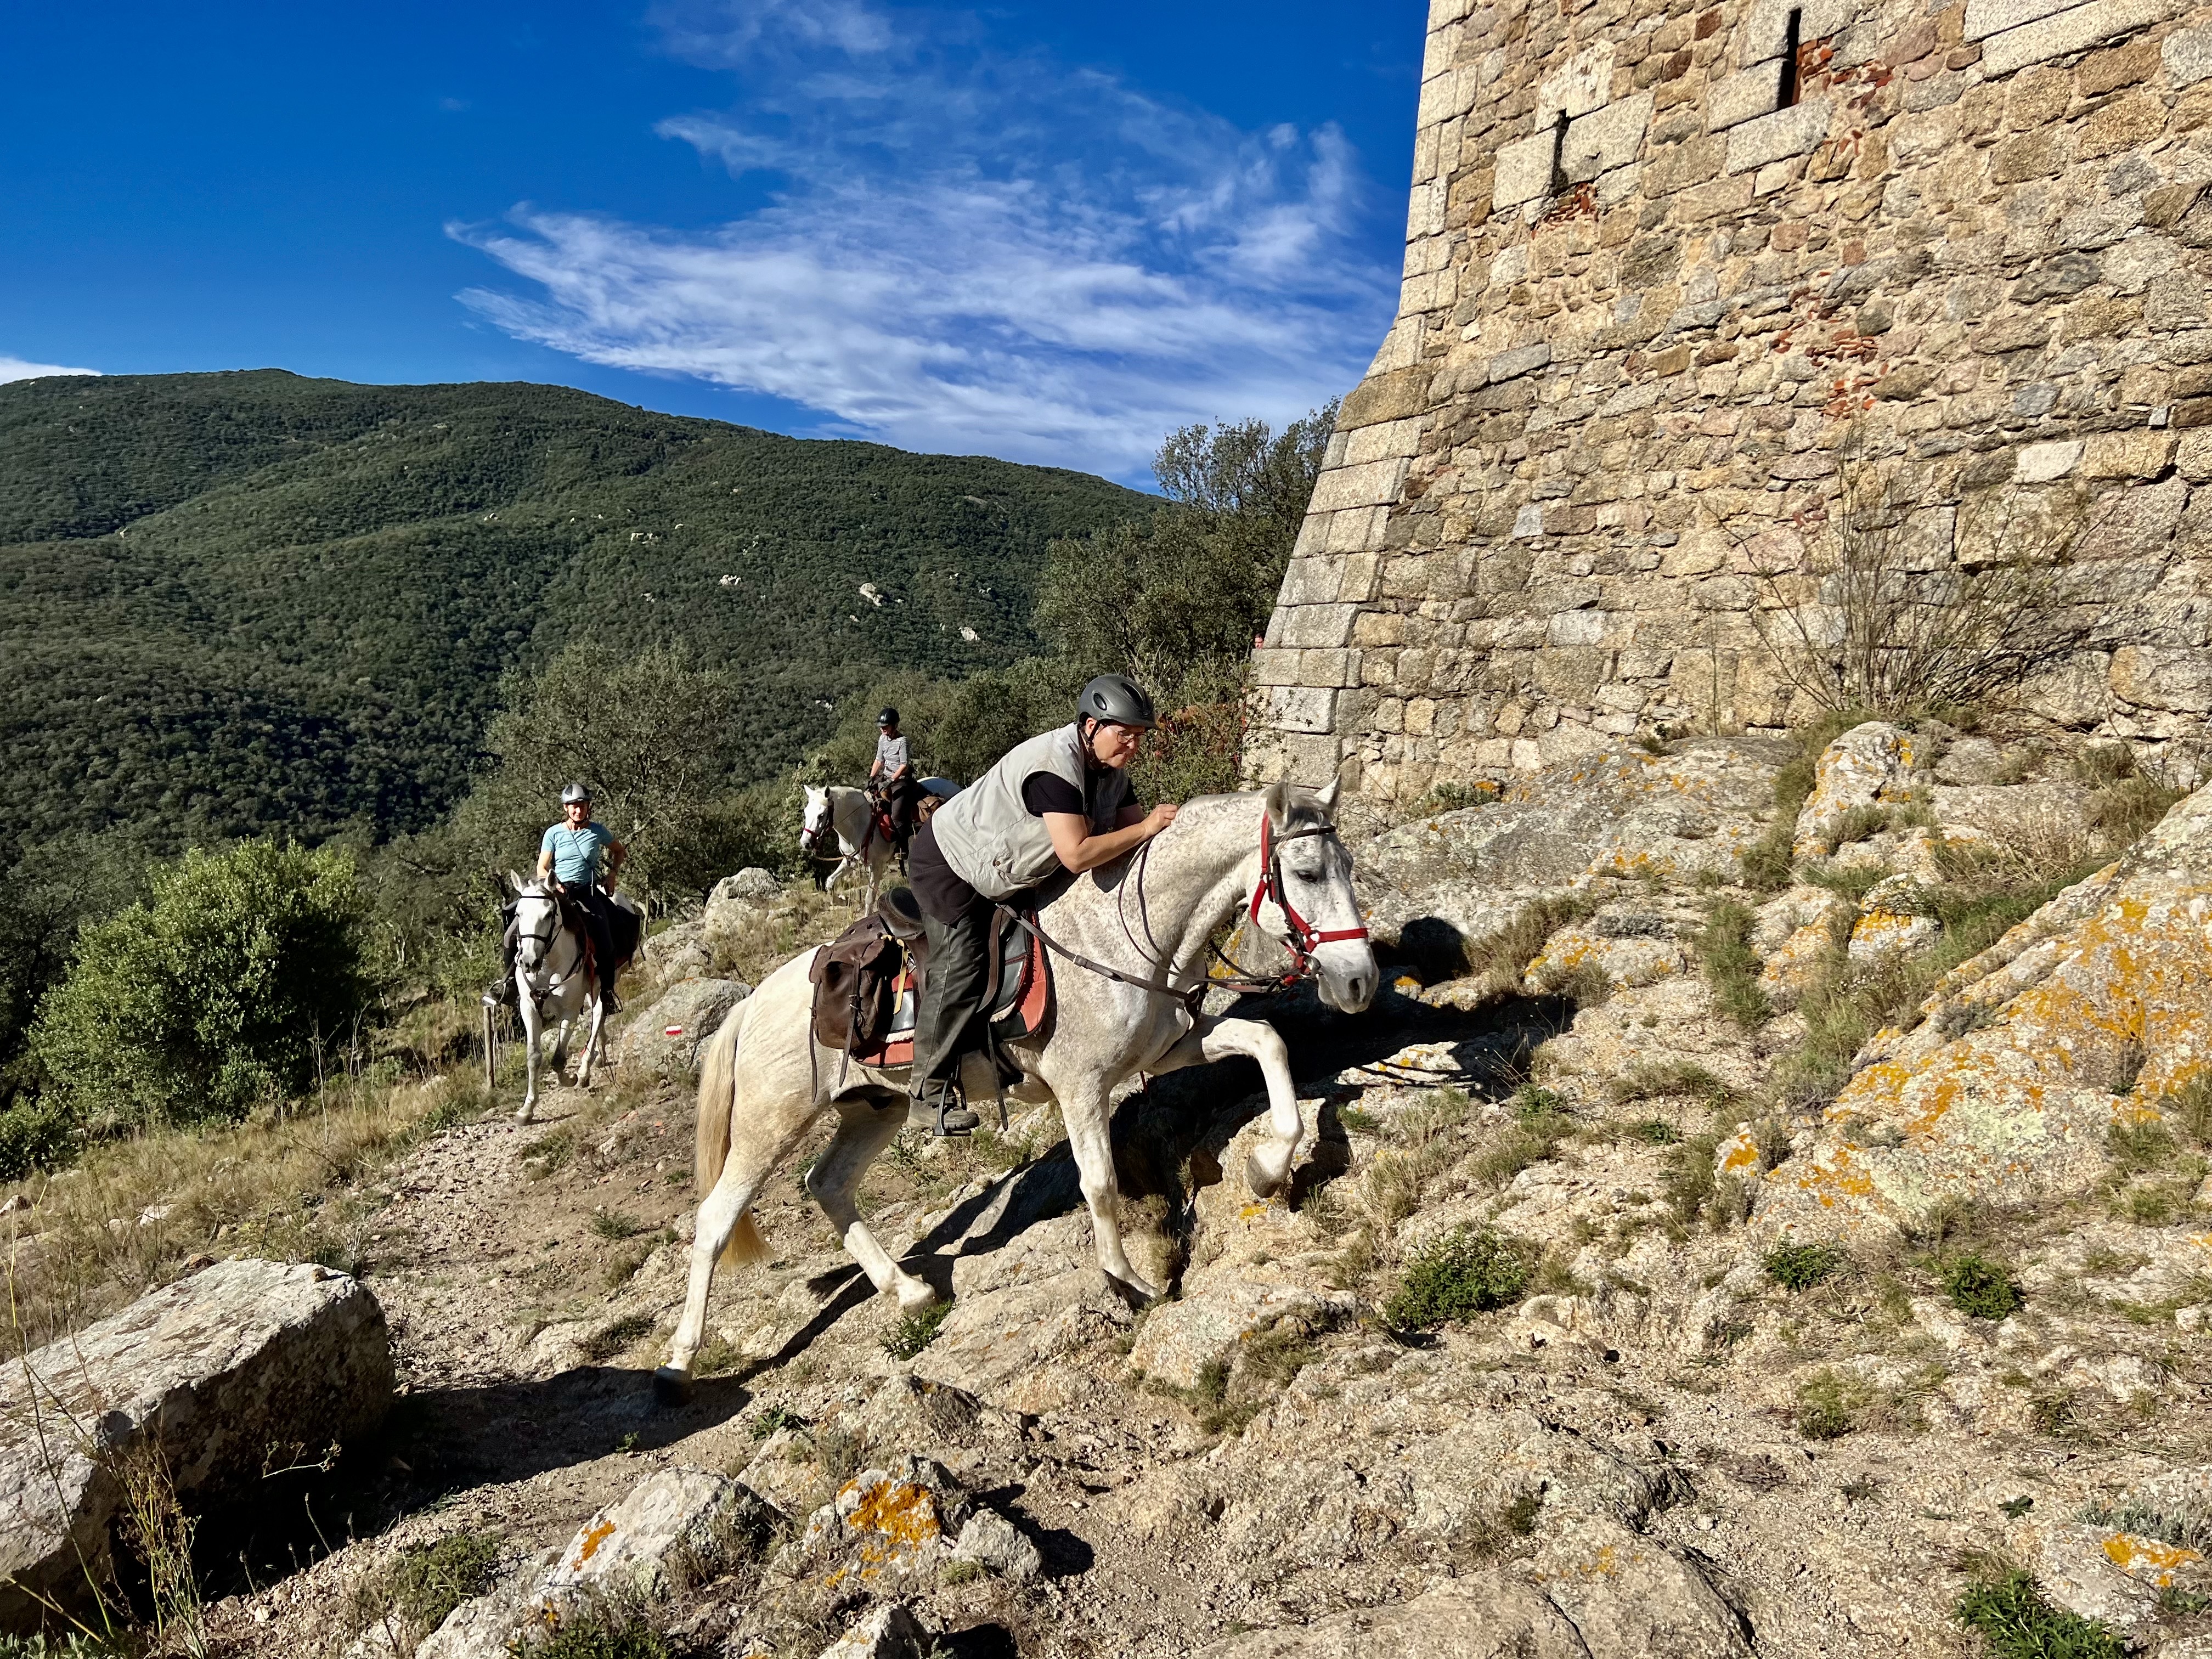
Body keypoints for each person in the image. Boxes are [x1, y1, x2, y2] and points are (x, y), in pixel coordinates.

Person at [904, 674, 1178, 1134]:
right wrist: (1150, 826)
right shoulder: (1055, 768)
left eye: (1138, 737)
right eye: (1123, 734)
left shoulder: (1113, 774)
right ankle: (926, 1093)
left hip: (1013, 867)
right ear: (1091, 726)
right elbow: (1078, 851)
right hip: (950, 863)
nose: (1132, 745)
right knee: (963, 966)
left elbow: (1129, 841)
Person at [499, 782, 629, 1012]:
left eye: (583, 805)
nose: (579, 810)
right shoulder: (554, 833)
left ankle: (607, 994)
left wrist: (612, 875)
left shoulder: (598, 831)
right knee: (511, 933)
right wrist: (554, 884)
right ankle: (508, 986)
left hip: (587, 891)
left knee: (607, 938)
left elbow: (619, 851)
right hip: (558, 891)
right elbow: (543, 866)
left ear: (588, 807)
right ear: (566, 809)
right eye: (574, 806)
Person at [869, 707, 921, 849]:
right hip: (885, 777)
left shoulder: (903, 741)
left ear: (895, 726)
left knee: (897, 815)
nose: (883, 730)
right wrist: (872, 777)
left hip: (900, 780)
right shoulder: (882, 739)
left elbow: (904, 765)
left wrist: (891, 780)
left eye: (885, 727)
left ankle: (903, 847)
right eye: (881, 727)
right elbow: (879, 760)